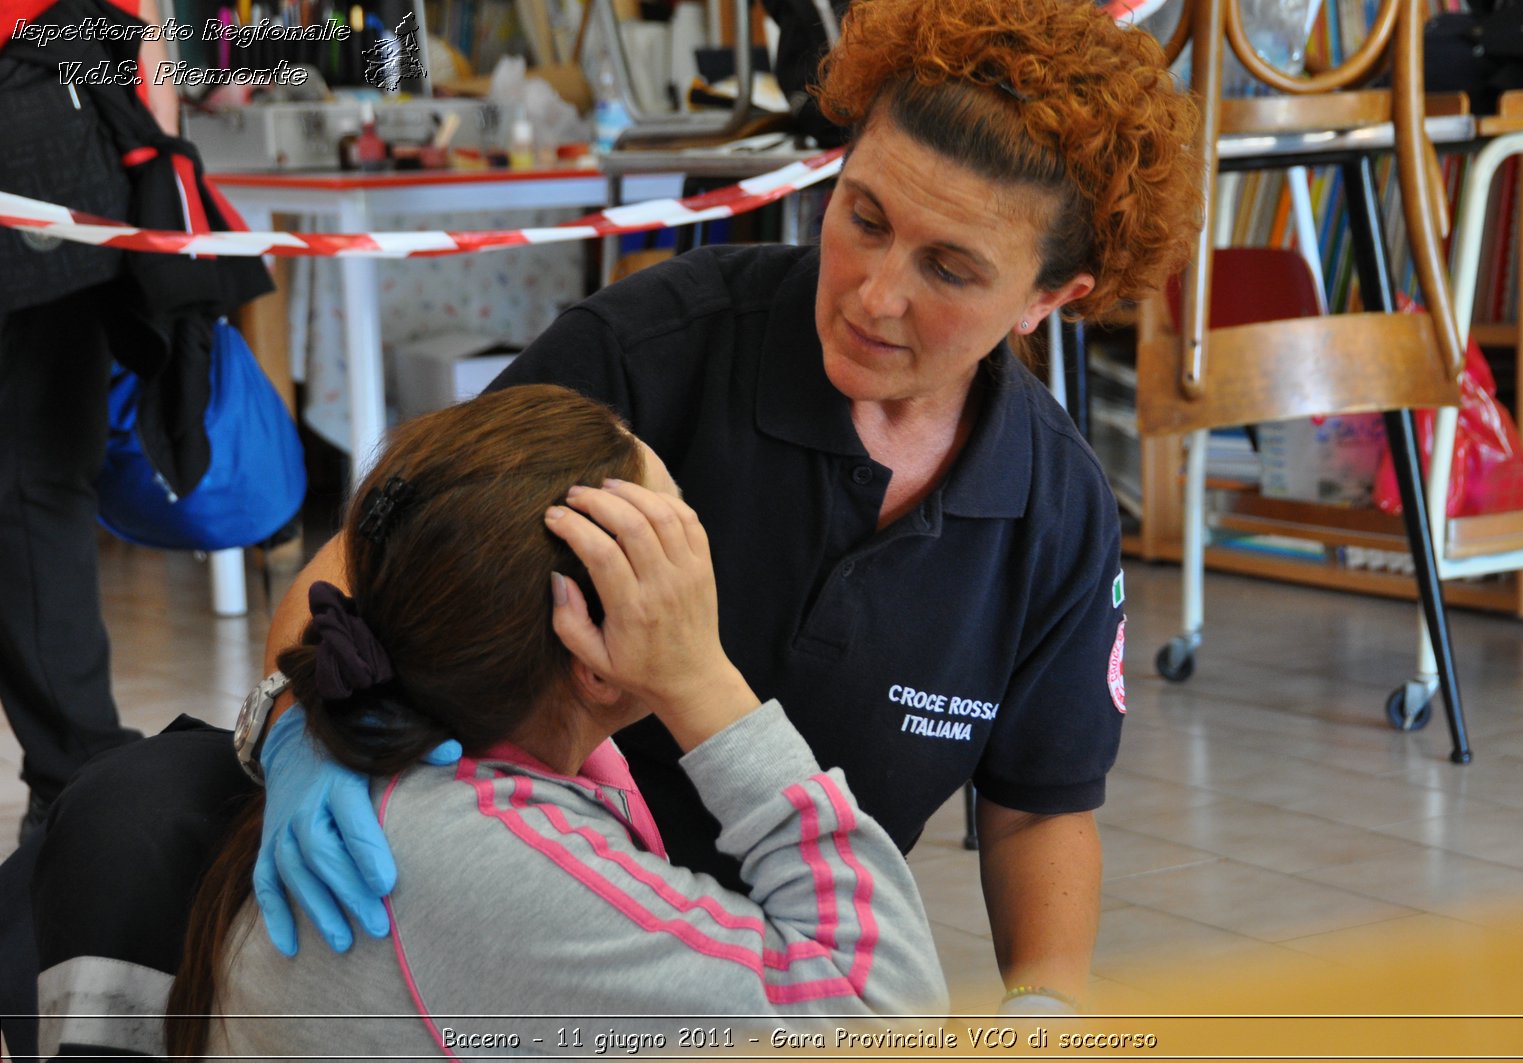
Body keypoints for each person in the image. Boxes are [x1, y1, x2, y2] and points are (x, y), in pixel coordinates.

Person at [249, 0, 1203, 1011]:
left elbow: (1037, 808)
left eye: (948, 268)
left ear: (1048, 297)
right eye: (864, 217)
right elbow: (372, 554)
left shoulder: (1051, 510)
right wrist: (296, 725)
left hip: (781, 964)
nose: (875, 296)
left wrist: (1046, 1007)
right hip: (536, 926)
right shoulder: (658, 351)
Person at [163, 384, 946, 1058]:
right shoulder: (484, 852)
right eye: (668, 545)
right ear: (591, 656)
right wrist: (707, 687)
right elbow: (888, 1018)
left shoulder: (418, 736)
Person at [0, 0, 175, 845]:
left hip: (54, 145)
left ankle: (74, 775)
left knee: (39, 482)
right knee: (39, 483)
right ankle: (74, 776)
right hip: (57, 148)